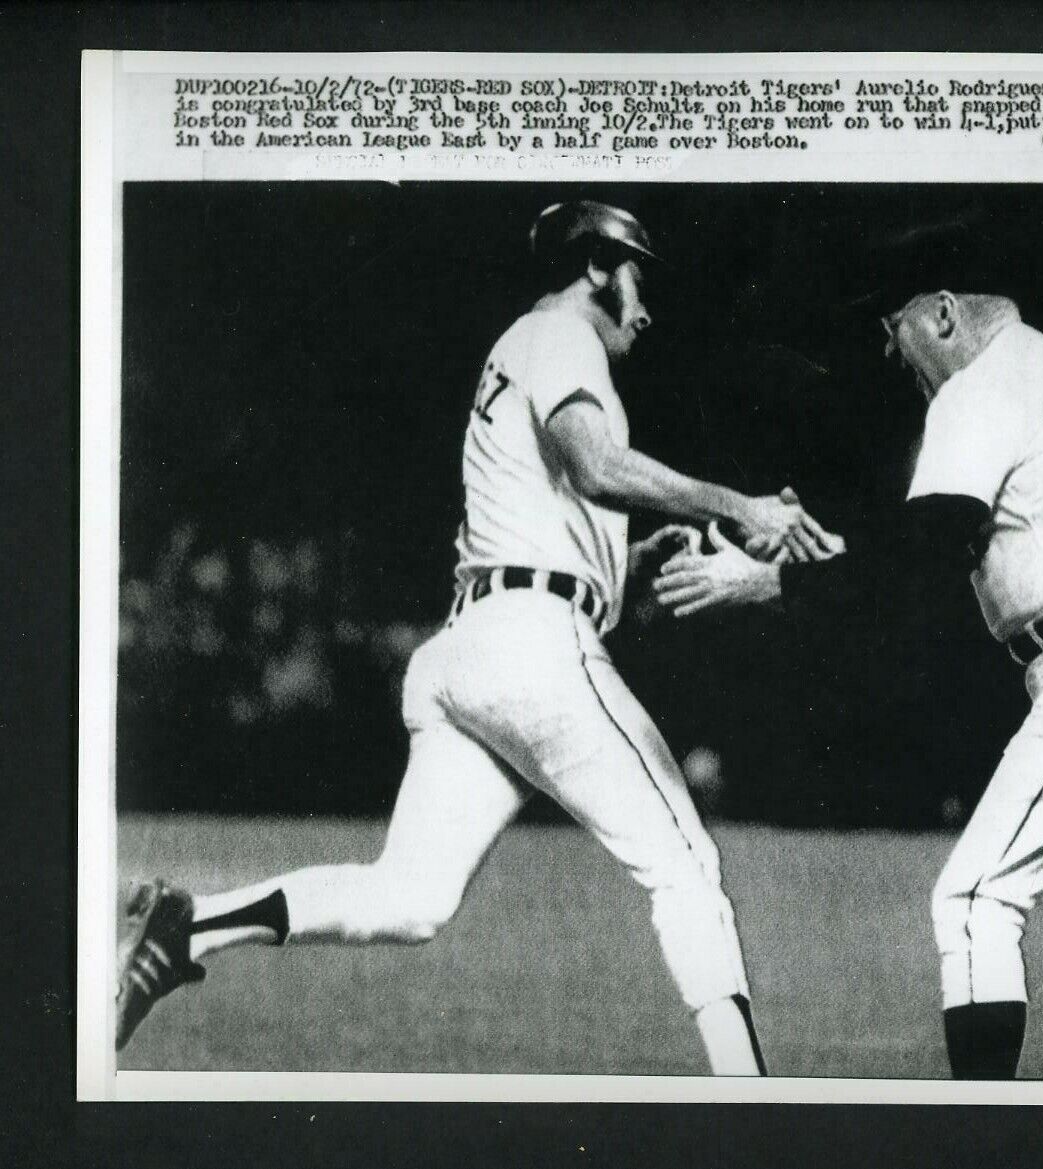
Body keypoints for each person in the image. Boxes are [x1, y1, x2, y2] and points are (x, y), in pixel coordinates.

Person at [115, 200, 840, 1075]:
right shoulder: (560, 335)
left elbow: (562, 506)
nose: (647, 308)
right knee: (687, 866)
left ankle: (190, 925)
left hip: (468, 651)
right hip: (530, 646)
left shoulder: (520, 354)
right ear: (598, 268)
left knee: (409, 897)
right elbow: (595, 465)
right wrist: (741, 504)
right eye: (640, 279)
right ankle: (750, 1102)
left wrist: (640, 555)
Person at [654, 290, 1043, 1080]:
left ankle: (976, 1141)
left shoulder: (976, 385)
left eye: (893, 331)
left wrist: (765, 580)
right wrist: (812, 557)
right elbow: (929, 543)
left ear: (940, 314)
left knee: (972, 904)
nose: (892, 354)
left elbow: (916, 561)